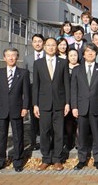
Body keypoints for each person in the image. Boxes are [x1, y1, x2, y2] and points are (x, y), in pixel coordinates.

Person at [0, 48, 30, 173]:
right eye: (8, 56)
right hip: (1, 109)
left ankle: (18, 161)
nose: (11, 58)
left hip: (17, 109)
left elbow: (26, 93)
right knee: (1, 136)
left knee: (18, 136)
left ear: (17, 58)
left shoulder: (23, 73)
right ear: (4, 58)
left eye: (13, 56)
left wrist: (25, 107)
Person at [33, 38, 70, 171]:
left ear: (57, 47)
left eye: (53, 45)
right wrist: (35, 104)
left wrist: (67, 103)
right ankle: (46, 159)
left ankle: (57, 159)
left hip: (59, 103)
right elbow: (36, 85)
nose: (51, 47)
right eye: (48, 45)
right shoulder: (38, 63)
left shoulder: (63, 62)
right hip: (43, 104)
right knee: (44, 132)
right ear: (44, 47)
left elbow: (67, 84)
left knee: (59, 132)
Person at [71, 43, 98, 170]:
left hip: (97, 108)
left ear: (96, 53)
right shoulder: (77, 70)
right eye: (87, 51)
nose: (90, 53)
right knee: (81, 136)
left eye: (93, 51)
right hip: (81, 107)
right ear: (83, 54)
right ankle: (82, 160)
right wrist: (74, 107)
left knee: (97, 135)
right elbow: (74, 90)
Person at [24, 34, 45, 151]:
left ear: (43, 43)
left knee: (46, 118)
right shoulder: (27, 58)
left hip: (46, 91)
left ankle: (45, 141)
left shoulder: (48, 56)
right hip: (33, 91)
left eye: (40, 41)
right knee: (34, 118)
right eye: (35, 41)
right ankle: (34, 142)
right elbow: (25, 77)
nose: (37, 43)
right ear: (32, 44)